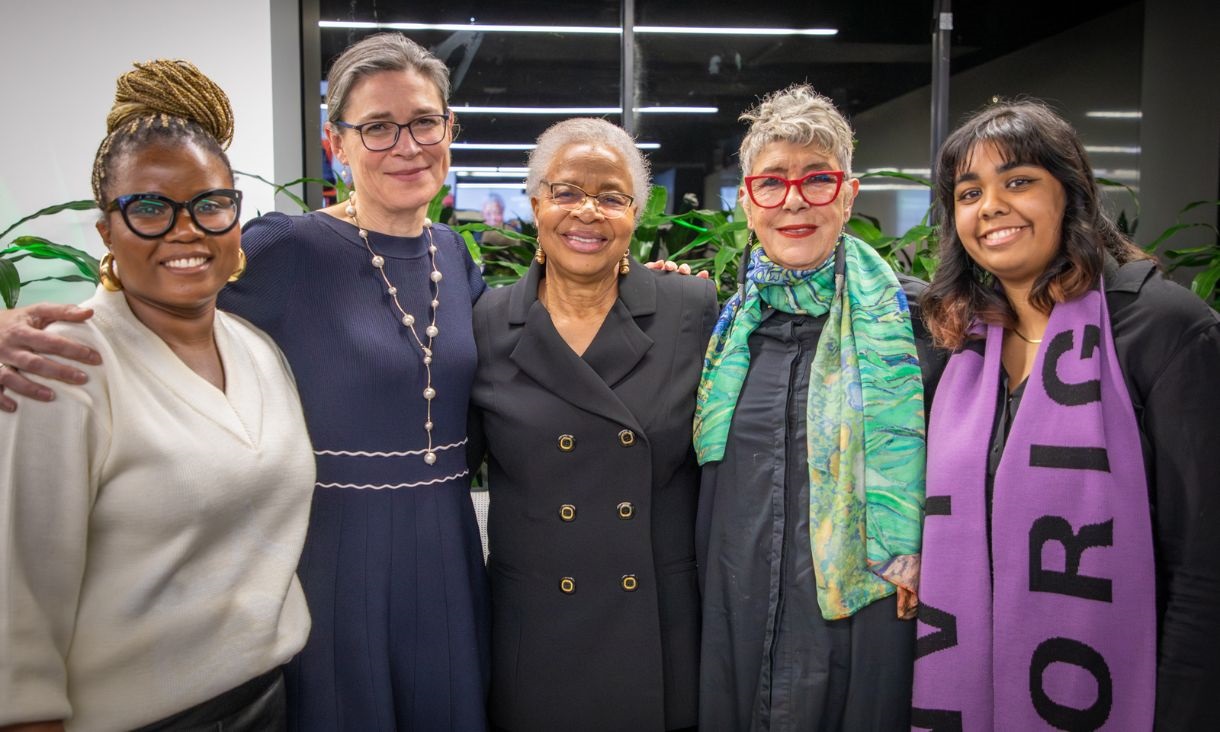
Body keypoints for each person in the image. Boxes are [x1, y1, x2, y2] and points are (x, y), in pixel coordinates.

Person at [0, 33, 491, 730]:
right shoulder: (286, 249)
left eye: (424, 122)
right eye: (376, 127)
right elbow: (156, 285)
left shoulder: (451, 252)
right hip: (336, 560)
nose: (406, 144)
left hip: (442, 548)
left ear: (450, 130)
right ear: (336, 143)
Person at [0, 60, 314, 731]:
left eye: (209, 204)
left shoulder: (257, 352)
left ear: (236, 219)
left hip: (267, 702)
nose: (185, 229)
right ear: (105, 231)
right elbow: (17, 614)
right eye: (148, 207)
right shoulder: (62, 368)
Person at [913, 100, 1220, 731]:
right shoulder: (955, 348)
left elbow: (1204, 565)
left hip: (1125, 699)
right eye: (969, 192)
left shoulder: (1163, 329)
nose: (991, 206)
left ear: (1071, 195)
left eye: (1018, 181)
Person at [693, 84, 945, 731]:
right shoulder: (720, 336)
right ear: (747, 202)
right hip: (739, 614)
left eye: (817, 179)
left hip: (866, 625)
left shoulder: (923, 328)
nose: (795, 200)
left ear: (848, 195)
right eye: (772, 183)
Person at [467, 118, 719, 732]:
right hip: (539, 630)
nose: (588, 212)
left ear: (636, 214)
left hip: (656, 627)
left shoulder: (691, 308)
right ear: (534, 205)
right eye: (566, 192)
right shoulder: (485, 323)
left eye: (611, 196)